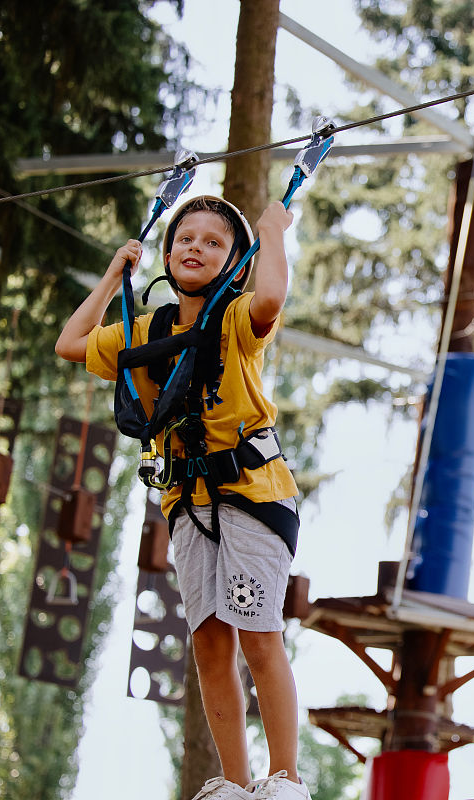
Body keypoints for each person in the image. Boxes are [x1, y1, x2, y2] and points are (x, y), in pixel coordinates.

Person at [56, 195, 311, 800]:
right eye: (184, 238)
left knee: (256, 631)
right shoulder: (147, 330)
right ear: (167, 255)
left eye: (214, 242)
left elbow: (271, 299)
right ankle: (235, 782)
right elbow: (72, 342)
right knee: (208, 639)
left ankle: (286, 777)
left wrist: (272, 230)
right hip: (188, 503)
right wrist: (114, 275)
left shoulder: (234, 318)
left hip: (252, 493)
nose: (195, 247)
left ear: (234, 263)